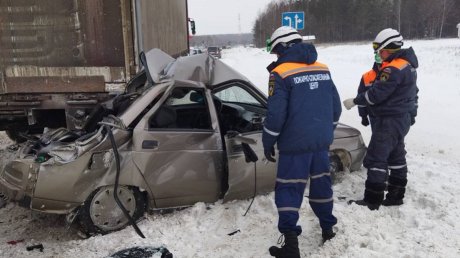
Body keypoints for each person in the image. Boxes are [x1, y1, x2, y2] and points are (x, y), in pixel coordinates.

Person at [263, 26, 342, 258]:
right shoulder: (323, 68)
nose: (276, 56)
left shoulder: (280, 73)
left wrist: (268, 141)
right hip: (320, 144)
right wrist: (326, 132)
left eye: (276, 51)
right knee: (322, 187)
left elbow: (276, 116)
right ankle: (328, 230)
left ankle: (291, 246)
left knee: (289, 190)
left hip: (294, 146)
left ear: (283, 47)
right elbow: (335, 108)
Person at [343, 28, 419, 210]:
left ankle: (372, 199)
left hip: (388, 120)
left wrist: (355, 101)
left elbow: (376, 95)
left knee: (377, 158)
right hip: (401, 119)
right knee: (396, 155)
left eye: (380, 49)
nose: (378, 53)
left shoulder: (392, 68)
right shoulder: (406, 65)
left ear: (390, 48)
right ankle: (396, 194)